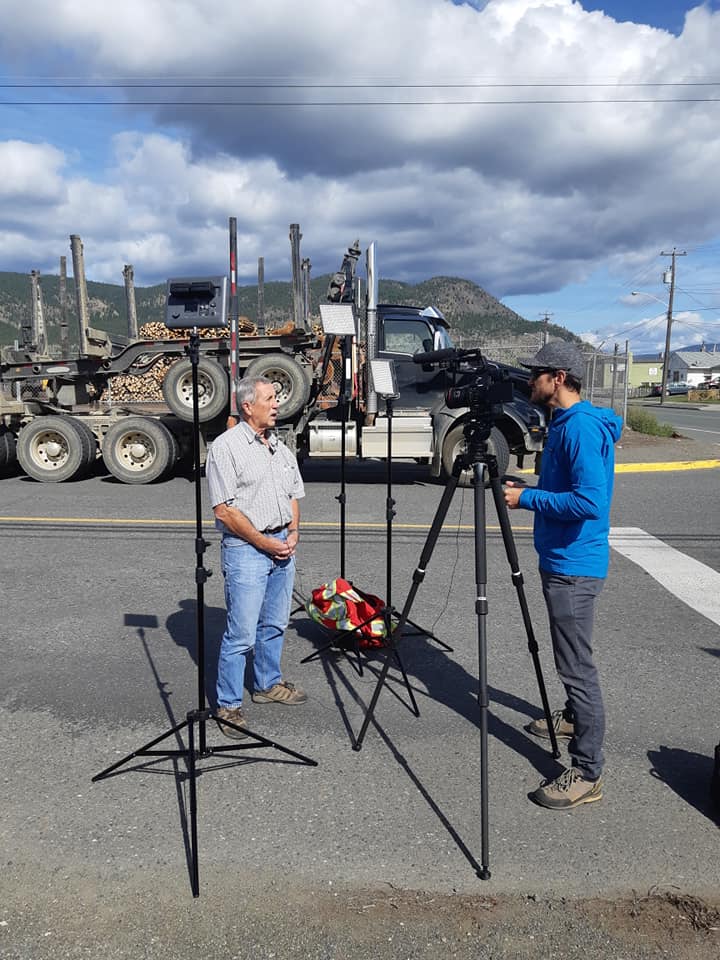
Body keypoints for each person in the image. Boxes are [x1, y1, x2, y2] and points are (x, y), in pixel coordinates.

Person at [503, 341, 622, 810]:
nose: (528, 381)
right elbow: (568, 490)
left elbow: (590, 503)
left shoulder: (578, 430)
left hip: (574, 568)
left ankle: (587, 771)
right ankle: (573, 717)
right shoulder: (569, 424)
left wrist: (526, 500)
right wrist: (530, 489)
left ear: (557, 377)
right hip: (564, 561)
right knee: (570, 660)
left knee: (576, 667)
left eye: (534, 374)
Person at [206, 376, 307, 739]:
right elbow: (224, 511)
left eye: (276, 398)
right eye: (269, 398)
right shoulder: (226, 447)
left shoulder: (280, 447)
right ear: (248, 405)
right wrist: (265, 543)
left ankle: (267, 684)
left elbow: (293, 495)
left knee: (275, 623)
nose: (277, 404)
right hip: (247, 549)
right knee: (241, 634)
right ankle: (228, 705)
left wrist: (292, 532)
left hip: (282, 544)